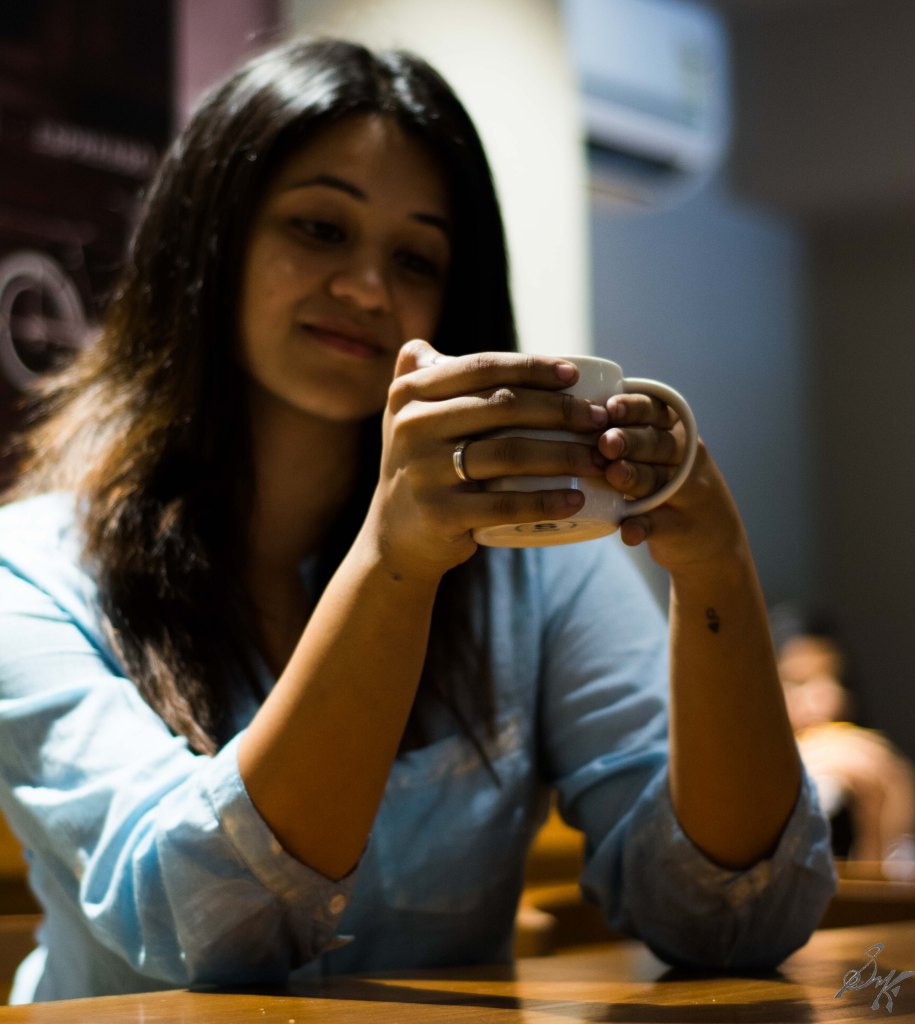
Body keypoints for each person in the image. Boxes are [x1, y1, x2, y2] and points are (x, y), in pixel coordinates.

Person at [0, 37, 835, 1004]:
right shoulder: (33, 570)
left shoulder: (535, 562)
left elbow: (733, 920)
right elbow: (201, 927)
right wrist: (393, 569)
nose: (367, 289)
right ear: (208, 242)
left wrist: (717, 574)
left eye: (415, 256)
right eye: (318, 228)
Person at [771, 603, 915, 869]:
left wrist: (879, 815)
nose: (828, 700)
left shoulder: (881, 771)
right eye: (798, 683)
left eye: (834, 679)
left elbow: (878, 903)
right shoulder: (741, 789)